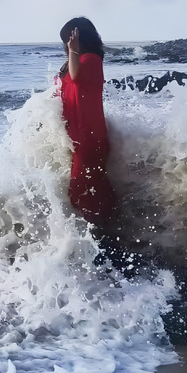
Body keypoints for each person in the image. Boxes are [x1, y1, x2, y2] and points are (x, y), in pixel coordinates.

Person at [57, 17, 116, 226]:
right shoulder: (74, 62)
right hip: (78, 136)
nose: (66, 44)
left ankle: (97, 234)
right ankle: (105, 229)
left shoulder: (91, 59)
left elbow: (75, 78)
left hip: (89, 136)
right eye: (66, 41)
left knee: (81, 190)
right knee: (88, 188)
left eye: (69, 39)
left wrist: (73, 50)